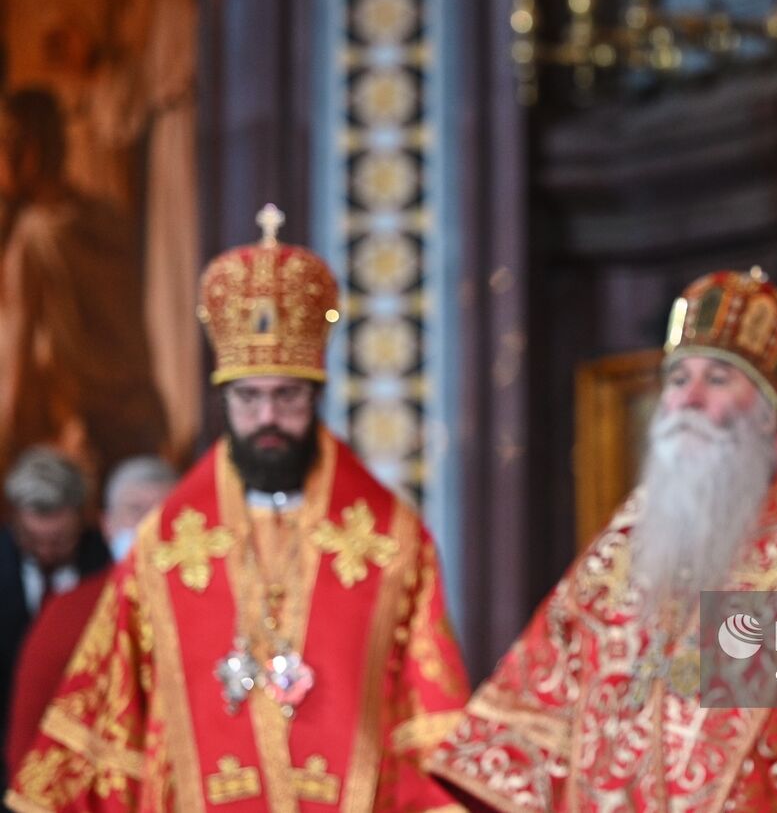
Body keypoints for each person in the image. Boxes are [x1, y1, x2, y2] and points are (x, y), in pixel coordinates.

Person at [6, 205, 470, 812]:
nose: (267, 418)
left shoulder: (392, 540)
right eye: (248, 399)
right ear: (225, 398)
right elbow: (110, 707)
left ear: (316, 395)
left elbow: (427, 712)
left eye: (288, 397)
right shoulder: (164, 547)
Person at [431, 269, 777, 812]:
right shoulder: (621, 551)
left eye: (716, 379)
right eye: (678, 377)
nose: (689, 398)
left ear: (764, 412)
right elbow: (529, 725)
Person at [0, 88, 168, 492]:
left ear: (30, 152)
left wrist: (6, 439)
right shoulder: (108, 215)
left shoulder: (36, 237)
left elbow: (18, 353)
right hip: (138, 411)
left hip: (81, 423)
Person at [5, 455, 176, 777]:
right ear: (108, 523)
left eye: (164, 510)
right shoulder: (73, 607)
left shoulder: (224, 606)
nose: (150, 524)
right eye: (136, 510)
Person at [0, 447, 110, 791]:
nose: (46, 551)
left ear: (82, 518)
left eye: (58, 541)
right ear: (15, 520)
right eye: (33, 540)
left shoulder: (107, 569)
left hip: (84, 752)